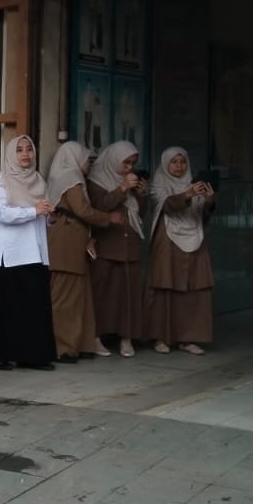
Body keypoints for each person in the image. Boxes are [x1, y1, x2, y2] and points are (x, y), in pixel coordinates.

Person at [45, 140, 122, 363]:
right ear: (74, 158)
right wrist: (109, 218)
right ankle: (62, 347)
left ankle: (79, 344)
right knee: (65, 296)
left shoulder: (68, 177)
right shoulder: (70, 177)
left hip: (72, 239)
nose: (89, 164)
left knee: (79, 296)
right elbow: (82, 210)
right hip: (66, 241)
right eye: (87, 160)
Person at [0, 135, 56, 371]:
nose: (25, 154)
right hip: (11, 253)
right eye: (20, 150)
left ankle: (33, 356)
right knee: (9, 306)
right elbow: (3, 214)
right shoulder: (1, 181)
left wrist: (49, 216)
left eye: (29, 149)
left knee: (34, 306)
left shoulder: (39, 181)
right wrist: (33, 211)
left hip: (35, 251)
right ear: (11, 155)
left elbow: (40, 217)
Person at [145, 146, 216, 355]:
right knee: (165, 287)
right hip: (168, 240)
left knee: (194, 289)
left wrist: (209, 200)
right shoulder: (159, 183)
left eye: (182, 161)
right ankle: (161, 337)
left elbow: (204, 214)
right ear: (166, 164)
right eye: (174, 162)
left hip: (195, 238)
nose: (179, 166)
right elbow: (165, 205)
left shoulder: (194, 182)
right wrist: (188, 194)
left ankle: (189, 338)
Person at [87, 140, 147, 358]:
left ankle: (126, 337)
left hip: (128, 244)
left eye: (132, 163)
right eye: (125, 162)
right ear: (113, 160)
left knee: (128, 294)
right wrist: (122, 188)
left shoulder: (129, 182)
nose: (129, 168)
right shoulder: (96, 181)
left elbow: (140, 212)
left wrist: (140, 194)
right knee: (102, 294)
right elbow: (100, 206)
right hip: (107, 244)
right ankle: (96, 337)